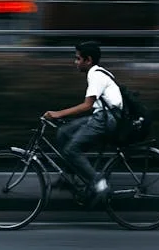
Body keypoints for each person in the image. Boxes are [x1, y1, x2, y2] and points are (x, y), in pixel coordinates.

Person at [43, 41, 123, 204]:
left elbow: (87, 105)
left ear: (88, 60)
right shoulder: (97, 73)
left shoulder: (96, 75)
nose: (75, 62)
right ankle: (68, 177)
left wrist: (58, 114)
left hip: (106, 119)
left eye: (78, 59)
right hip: (102, 116)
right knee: (63, 132)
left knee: (72, 149)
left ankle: (100, 183)